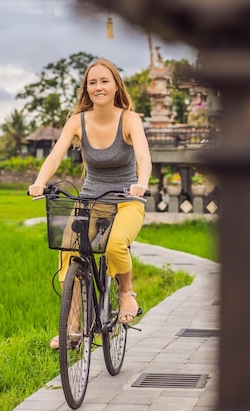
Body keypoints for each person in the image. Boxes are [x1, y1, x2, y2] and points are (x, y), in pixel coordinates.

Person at [28, 58, 152, 349]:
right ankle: (72, 329)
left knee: (114, 244)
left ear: (115, 85)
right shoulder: (78, 121)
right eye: (92, 82)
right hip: (89, 200)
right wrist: (40, 180)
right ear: (86, 89)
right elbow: (55, 155)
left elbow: (144, 156)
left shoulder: (130, 119)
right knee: (68, 251)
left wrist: (142, 182)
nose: (98, 87)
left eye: (104, 81)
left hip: (126, 200)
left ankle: (126, 293)